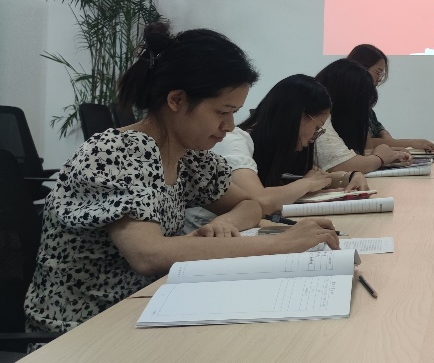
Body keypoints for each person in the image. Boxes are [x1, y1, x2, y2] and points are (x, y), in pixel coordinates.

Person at [25, 23, 339, 333]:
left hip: (149, 307)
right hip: (81, 330)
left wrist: (224, 224)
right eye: (222, 112)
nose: (230, 125)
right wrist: (281, 244)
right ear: (176, 100)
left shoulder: (190, 157)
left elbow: (251, 205)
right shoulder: (113, 151)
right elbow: (148, 255)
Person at [183, 75, 368, 232]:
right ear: (296, 116)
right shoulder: (232, 141)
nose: (314, 137)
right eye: (316, 128)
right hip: (201, 239)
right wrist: (306, 184)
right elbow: (259, 200)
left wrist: (350, 176)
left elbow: (311, 178)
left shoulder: (275, 149)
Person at [313, 59, 410, 173]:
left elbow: (352, 153)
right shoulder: (318, 117)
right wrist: (379, 158)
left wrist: (386, 155)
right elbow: (341, 165)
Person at [346, 43, 434, 152]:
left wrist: (384, 133)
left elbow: (377, 126)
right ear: (361, 68)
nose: (379, 79)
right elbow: (364, 144)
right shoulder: (348, 101)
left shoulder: (364, 99)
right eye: (378, 72)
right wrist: (411, 143)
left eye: (382, 74)